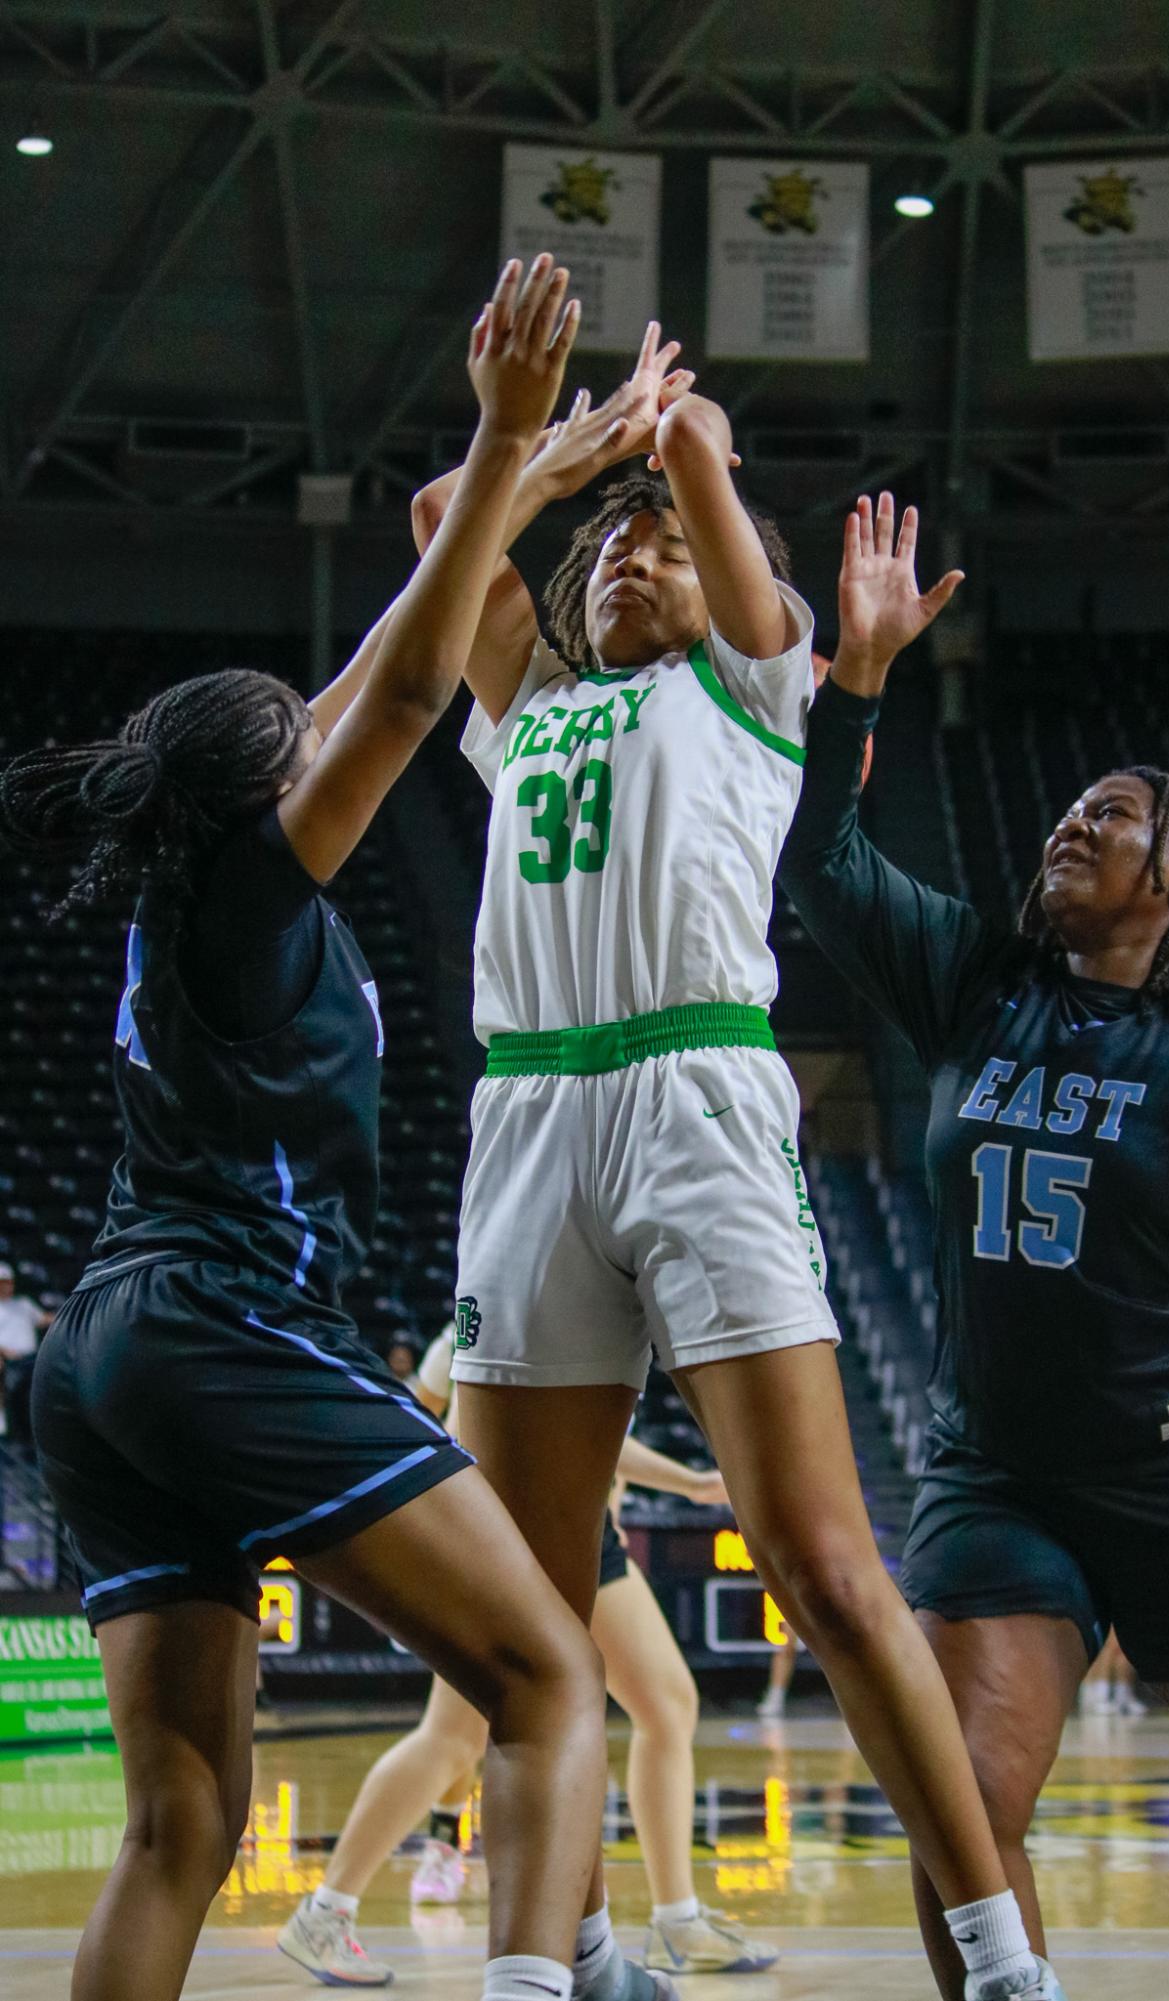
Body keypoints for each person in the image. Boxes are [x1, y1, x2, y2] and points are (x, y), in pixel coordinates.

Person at [8, 257, 640, 2001]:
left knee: (177, 1830)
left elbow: (374, 670)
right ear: (261, 782)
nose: (326, 720)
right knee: (542, 1676)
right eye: (297, 733)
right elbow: (411, 693)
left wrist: (536, 471)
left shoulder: (194, 874)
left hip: (104, 1351)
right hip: (221, 1320)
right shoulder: (247, 883)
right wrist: (507, 428)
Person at [410, 365, 1059, 2000]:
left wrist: (657, 438)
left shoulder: (760, 692)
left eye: (666, 550)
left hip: (697, 1096)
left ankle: (996, 1961)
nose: (629, 556)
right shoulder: (527, 707)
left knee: (828, 1570)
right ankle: (554, 1958)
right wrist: (563, 452)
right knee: (525, 1620)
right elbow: (443, 524)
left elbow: (700, 458)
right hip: (529, 1118)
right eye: (606, 551)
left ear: (734, 590)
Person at [779, 489, 1169, 2001]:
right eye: (1062, 809)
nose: (1066, 824)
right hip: (999, 1475)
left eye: (1109, 814)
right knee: (964, 1816)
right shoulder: (976, 983)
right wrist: (857, 679)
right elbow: (816, 864)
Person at [285, 1333, 776, 1980]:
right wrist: (685, 1481)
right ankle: (326, 1910)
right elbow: (474, 1423)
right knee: (453, 1740)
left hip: (567, 1524)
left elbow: (554, 1421)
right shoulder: (517, 1299)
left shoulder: (536, 1297)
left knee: (665, 1702)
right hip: (527, 1527)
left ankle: (678, 1917)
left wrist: (644, 1486)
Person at [0, 1260, 54, 1440]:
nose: (5, 1286)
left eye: (7, 1282)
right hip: (10, 1362)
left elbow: (43, 1319)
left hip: (33, 1360)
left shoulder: (23, 1304)